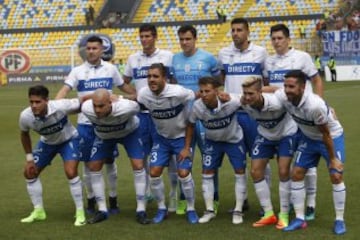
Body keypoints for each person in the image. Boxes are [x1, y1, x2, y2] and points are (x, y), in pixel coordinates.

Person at [56, 35, 136, 215]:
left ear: (102, 50)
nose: (91, 51)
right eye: (88, 48)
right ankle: (91, 199)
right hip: (86, 123)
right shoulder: (77, 71)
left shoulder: (110, 69)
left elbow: (124, 87)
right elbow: (65, 90)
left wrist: (140, 96)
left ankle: (113, 199)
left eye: (94, 48)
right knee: (87, 163)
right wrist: (56, 105)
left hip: (107, 123)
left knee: (109, 161)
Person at [276, 70, 346, 235]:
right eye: (285, 86)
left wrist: (334, 159)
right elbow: (273, 90)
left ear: (302, 87)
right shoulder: (285, 96)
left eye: (291, 86)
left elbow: (326, 134)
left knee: (336, 175)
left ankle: (339, 220)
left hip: (330, 137)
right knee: (297, 173)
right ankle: (300, 219)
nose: (287, 90)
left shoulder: (314, 105)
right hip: (309, 138)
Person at [265, 23, 323, 220]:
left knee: (308, 163)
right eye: (273, 38)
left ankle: (311, 204)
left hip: (304, 116)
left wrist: (320, 104)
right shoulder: (269, 61)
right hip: (281, 118)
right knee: (289, 164)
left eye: (280, 38)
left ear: (288, 39)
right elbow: (269, 87)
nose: (276, 42)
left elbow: (316, 79)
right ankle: (290, 202)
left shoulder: (302, 57)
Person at [122, 23, 177, 211]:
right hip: (141, 115)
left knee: (168, 157)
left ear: (155, 37)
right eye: (142, 36)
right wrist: (135, 95)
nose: (144, 39)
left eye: (147, 36)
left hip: (163, 114)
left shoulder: (167, 56)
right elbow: (124, 82)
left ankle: (173, 195)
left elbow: (174, 82)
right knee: (143, 156)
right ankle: (147, 192)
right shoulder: (132, 58)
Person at [137, 63, 199, 224]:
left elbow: (194, 96)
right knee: (154, 171)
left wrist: (187, 147)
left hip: (181, 138)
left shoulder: (178, 92)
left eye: (155, 76)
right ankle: (162, 208)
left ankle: (191, 209)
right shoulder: (143, 94)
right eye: (149, 76)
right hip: (162, 139)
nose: (151, 79)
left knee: (184, 174)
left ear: (164, 78)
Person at [218, 17, 269, 211]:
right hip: (233, 113)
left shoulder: (260, 53)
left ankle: (265, 204)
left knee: (261, 157)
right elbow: (222, 78)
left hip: (255, 114)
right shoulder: (223, 53)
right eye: (233, 30)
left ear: (248, 32)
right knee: (238, 161)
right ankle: (243, 200)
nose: (236, 33)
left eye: (239, 30)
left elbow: (266, 80)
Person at [181, 76, 247, 225]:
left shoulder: (231, 101)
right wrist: (186, 148)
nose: (204, 94)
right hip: (212, 142)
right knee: (207, 173)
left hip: (234, 140)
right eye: (202, 91)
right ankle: (209, 210)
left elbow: (247, 100)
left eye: (208, 91)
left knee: (240, 172)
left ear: (217, 91)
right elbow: (190, 125)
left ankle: (238, 210)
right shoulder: (197, 106)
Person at [19, 85, 86, 226]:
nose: (34, 106)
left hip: (69, 140)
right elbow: (24, 134)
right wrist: (29, 159)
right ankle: (39, 212)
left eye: (38, 102)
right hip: (47, 143)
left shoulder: (61, 106)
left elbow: (83, 101)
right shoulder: (26, 116)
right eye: (31, 102)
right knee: (29, 173)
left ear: (47, 101)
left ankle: (80, 212)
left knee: (71, 172)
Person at [172, 24, 221, 215]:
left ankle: (214, 199)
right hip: (183, 119)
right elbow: (174, 86)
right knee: (184, 158)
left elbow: (218, 82)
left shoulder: (208, 58)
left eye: (188, 39)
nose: (184, 42)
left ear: (195, 39)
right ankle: (184, 200)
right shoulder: (175, 59)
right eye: (181, 39)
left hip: (205, 117)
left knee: (209, 159)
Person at [81, 88, 149, 224]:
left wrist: (122, 96)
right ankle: (102, 210)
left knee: (138, 165)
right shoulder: (86, 109)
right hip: (104, 136)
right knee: (94, 166)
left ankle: (141, 210)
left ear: (110, 103)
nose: (97, 110)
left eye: (101, 106)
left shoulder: (127, 107)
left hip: (129, 133)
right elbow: (82, 101)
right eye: (95, 105)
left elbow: (142, 104)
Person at [241, 77, 298, 230]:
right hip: (265, 135)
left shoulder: (277, 101)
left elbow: (289, 94)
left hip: (286, 134)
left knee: (283, 170)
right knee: (255, 171)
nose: (247, 97)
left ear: (260, 92)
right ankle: (268, 213)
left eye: (251, 93)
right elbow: (226, 98)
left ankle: (284, 214)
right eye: (245, 93)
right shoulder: (244, 103)